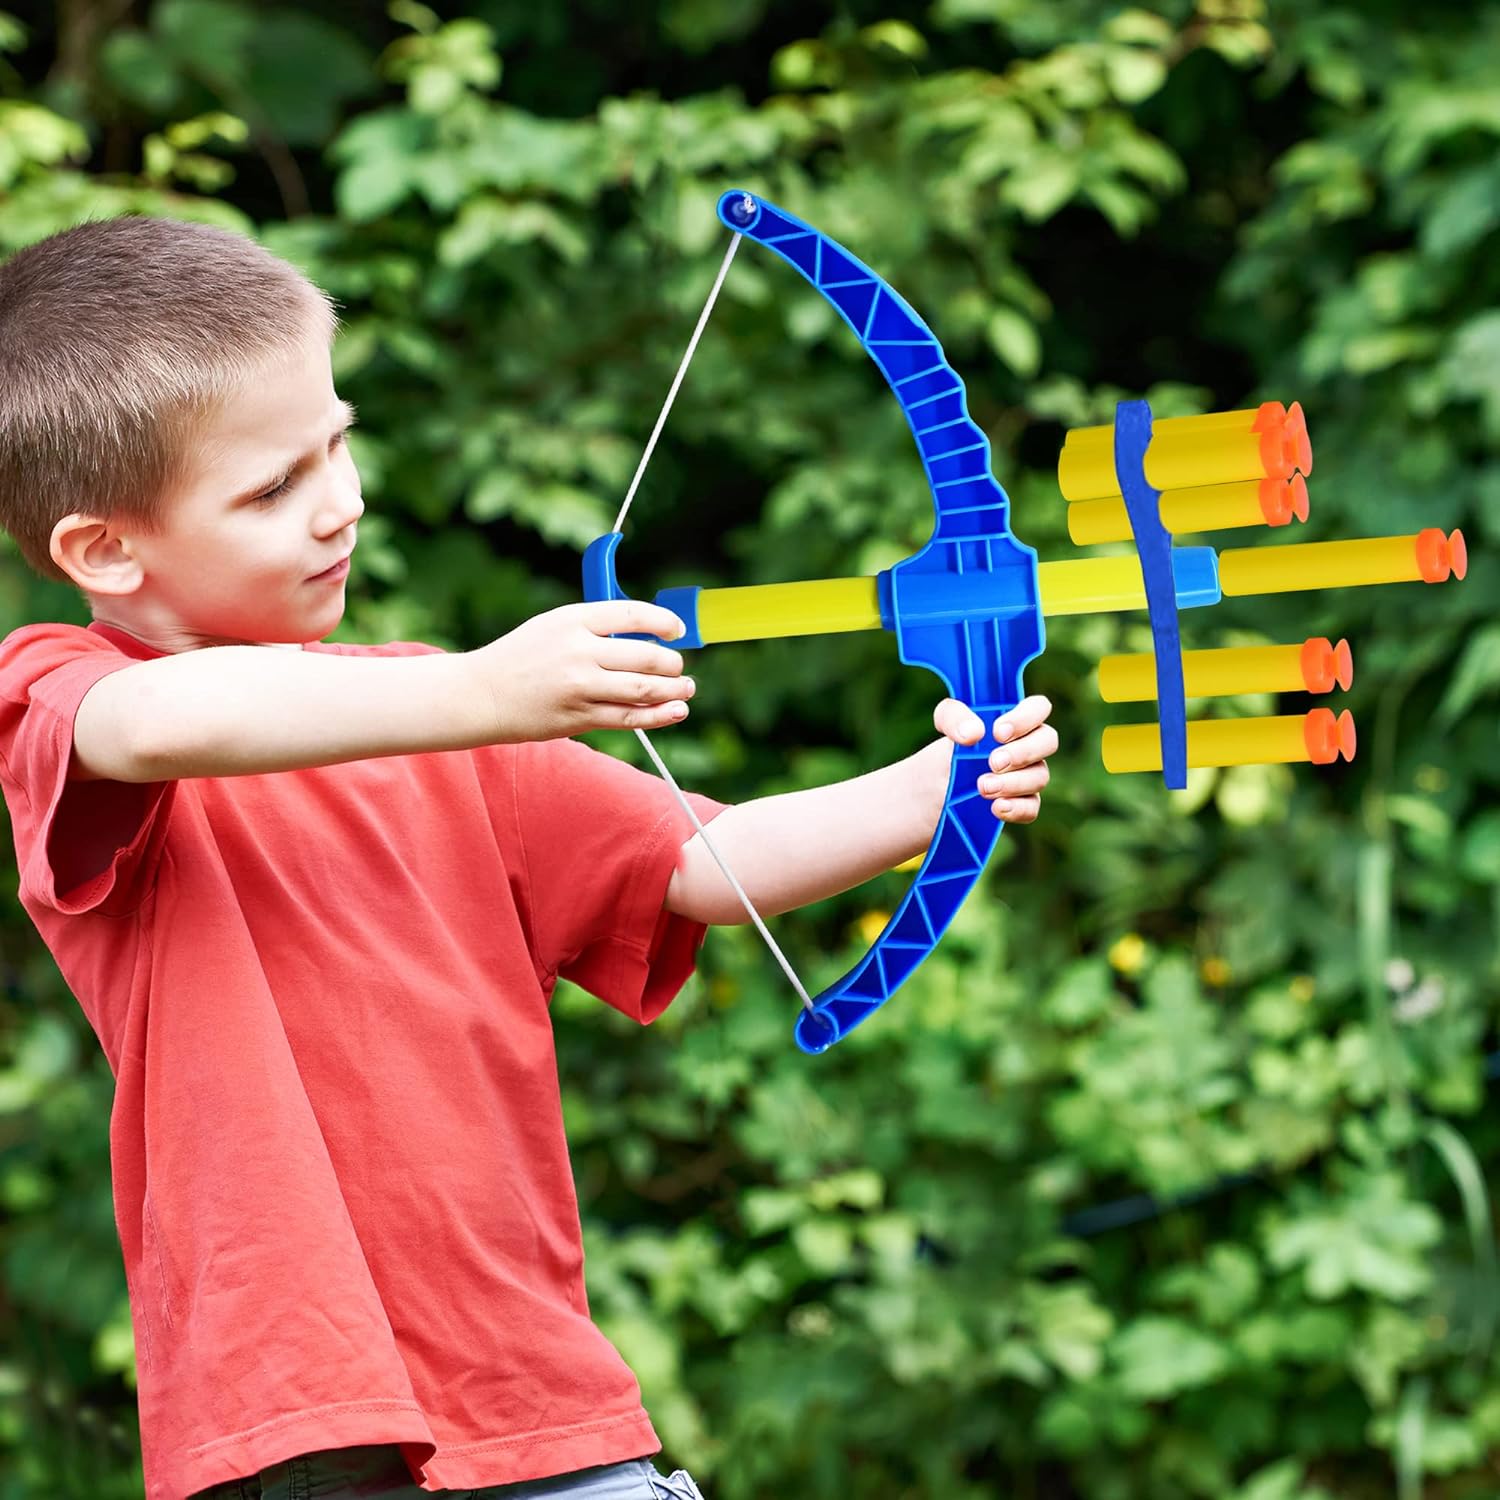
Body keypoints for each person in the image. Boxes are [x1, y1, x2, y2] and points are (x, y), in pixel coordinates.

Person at [0, 217, 1058, 1500]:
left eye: (336, 441)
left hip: (523, 1393)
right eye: (274, 486)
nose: (341, 500)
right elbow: (168, 722)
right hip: (290, 1406)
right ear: (104, 549)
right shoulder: (65, 692)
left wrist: (945, 787)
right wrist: (495, 690)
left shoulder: (446, 710)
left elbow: (705, 868)